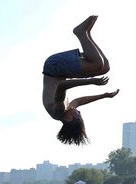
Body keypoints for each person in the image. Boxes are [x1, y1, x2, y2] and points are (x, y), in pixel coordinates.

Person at [42, 16, 119, 145]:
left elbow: (61, 85)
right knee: (104, 67)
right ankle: (87, 34)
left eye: (78, 115)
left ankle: (80, 33)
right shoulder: (66, 111)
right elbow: (80, 101)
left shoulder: (58, 110)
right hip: (60, 70)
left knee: (96, 64)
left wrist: (91, 81)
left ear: (69, 119)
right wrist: (104, 96)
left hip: (54, 66)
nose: (78, 111)